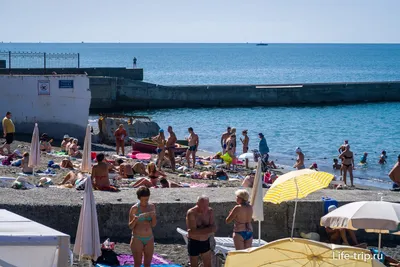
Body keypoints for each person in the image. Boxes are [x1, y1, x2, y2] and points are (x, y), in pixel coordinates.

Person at [129, 186, 156, 267]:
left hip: (149, 238)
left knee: (147, 264)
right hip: (137, 238)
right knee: (137, 263)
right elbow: (130, 226)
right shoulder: (134, 208)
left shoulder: (151, 206)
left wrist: (153, 216)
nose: (144, 202)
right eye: (142, 200)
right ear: (139, 198)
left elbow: (153, 225)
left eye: (146, 200)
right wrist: (135, 219)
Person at [186, 196, 216, 267]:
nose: (205, 208)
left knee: (208, 265)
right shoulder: (192, 213)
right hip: (194, 242)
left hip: (205, 241)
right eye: (202, 206)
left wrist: (199, 231)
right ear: (197, 204)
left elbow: (213, 228)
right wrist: (208, 230)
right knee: (194, 265)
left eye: (206, 205)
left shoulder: (210, 211)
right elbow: (192, 232)